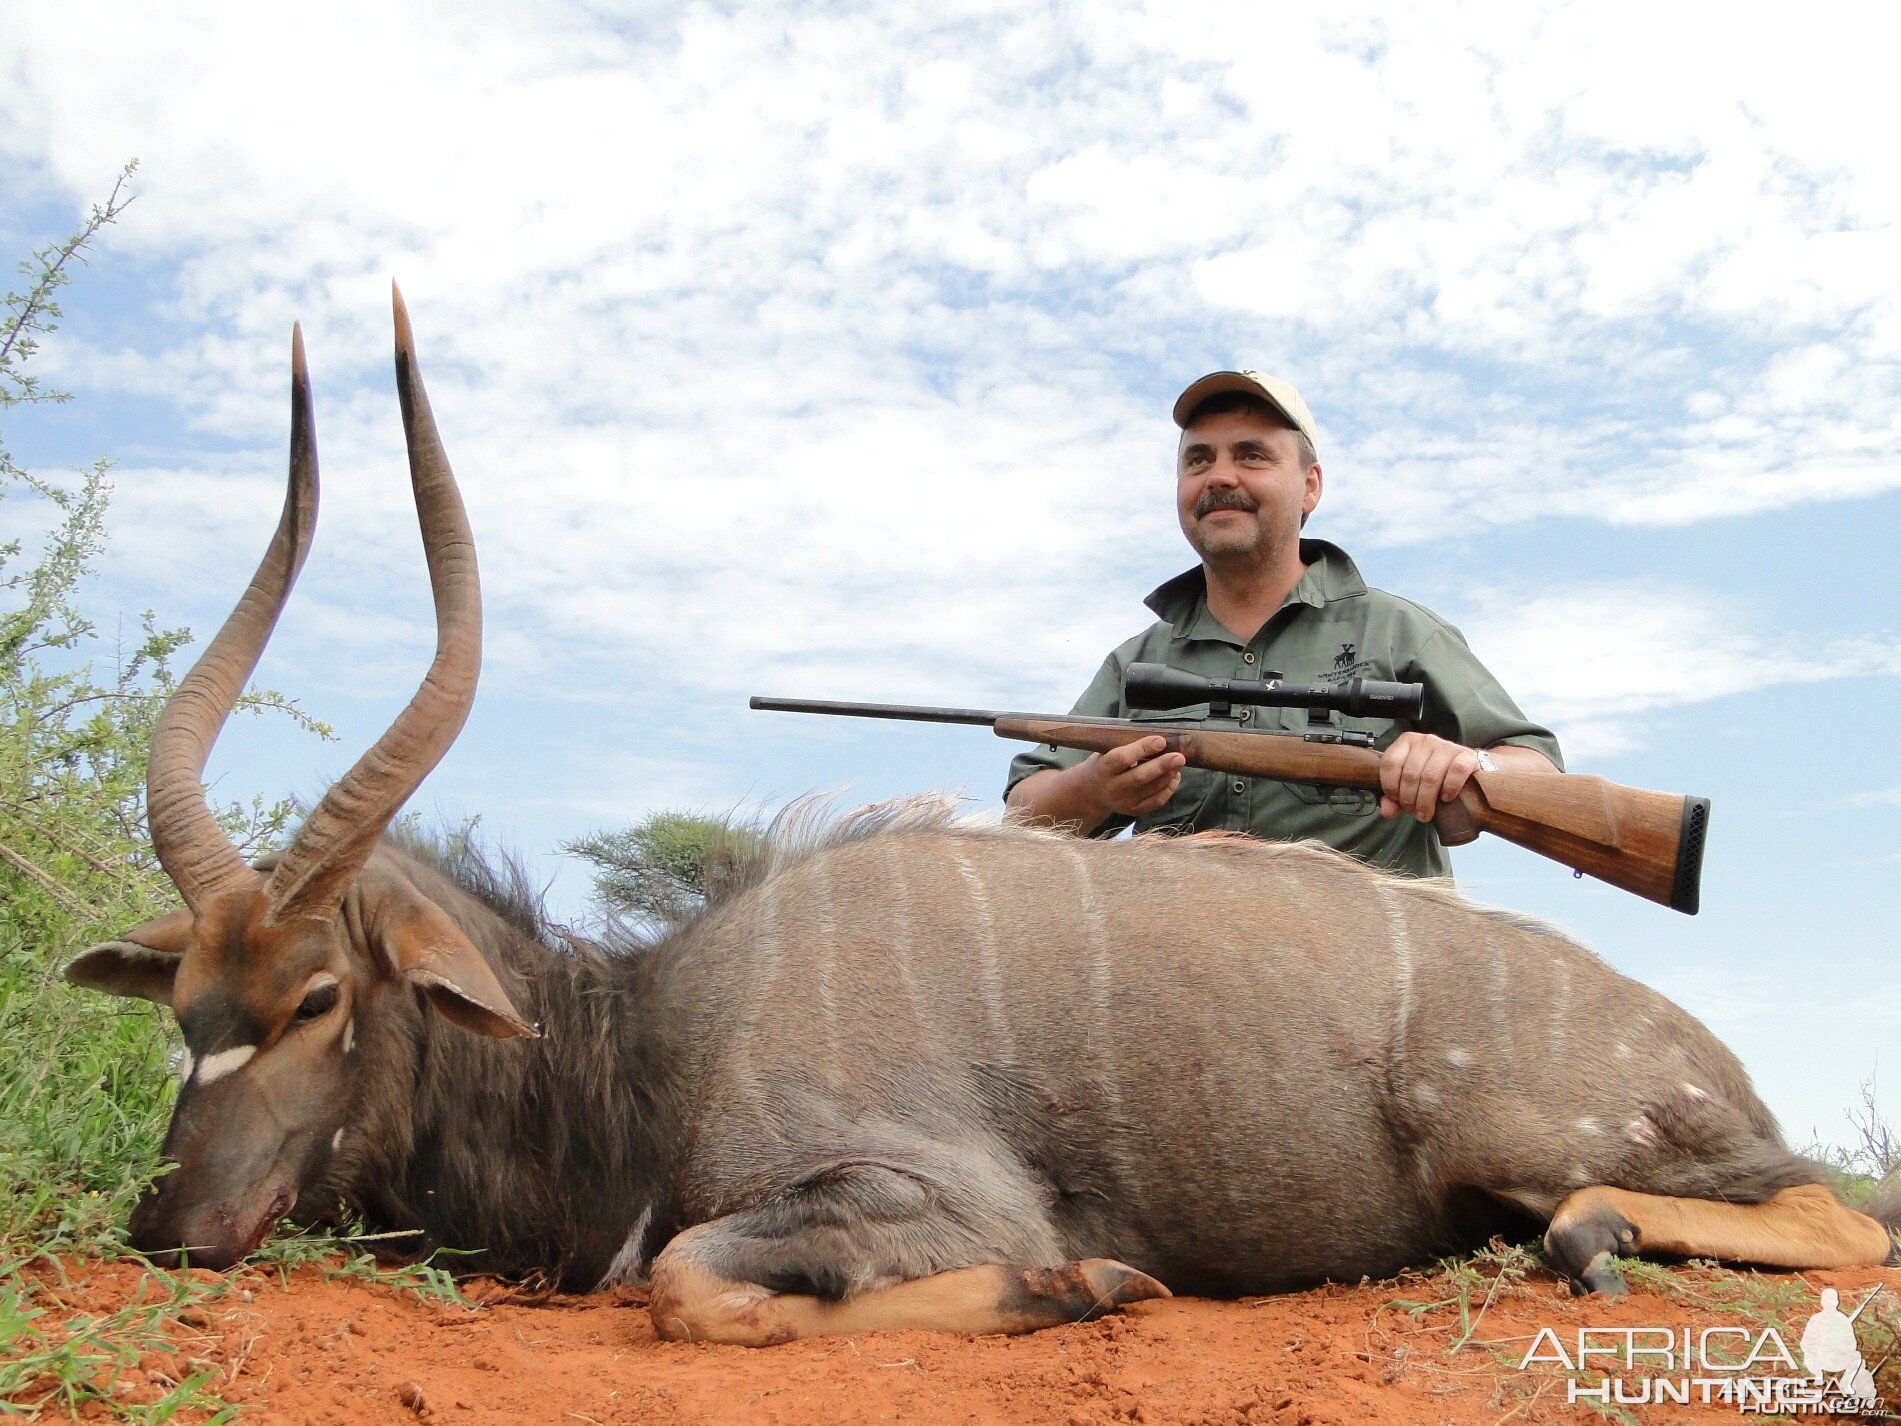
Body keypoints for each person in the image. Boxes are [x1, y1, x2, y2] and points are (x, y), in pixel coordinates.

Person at [1004, 369, 1563, 879]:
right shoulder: (1137, 662)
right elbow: (1024, 812)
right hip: (1181, 980)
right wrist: (1095, 788)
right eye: (1198, 460)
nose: (1219, 476)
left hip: (1376, 982)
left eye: (1251, 456)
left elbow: (1539, 770)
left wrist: (1465, 762)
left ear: (1311, 486)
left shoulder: (1399, 631)